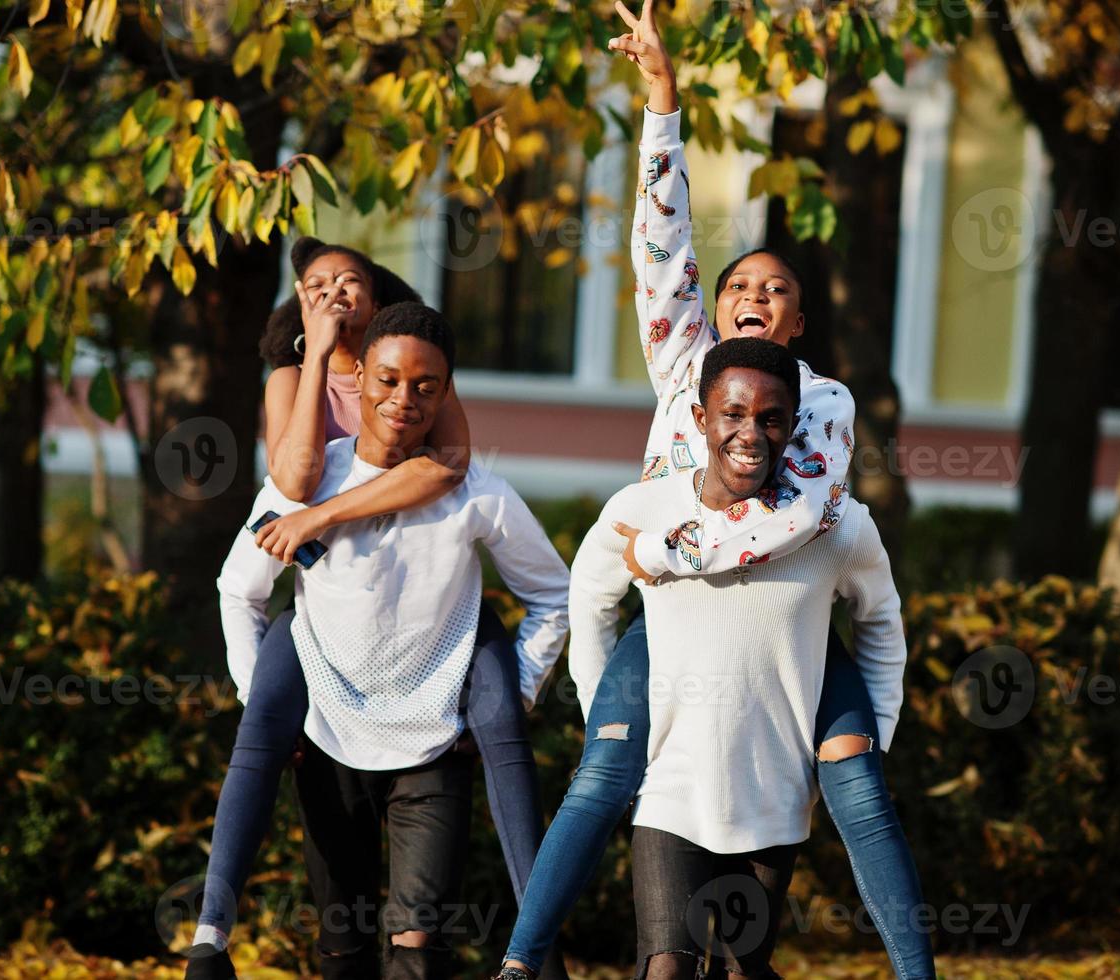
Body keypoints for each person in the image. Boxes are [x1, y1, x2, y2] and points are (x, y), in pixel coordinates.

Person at [493, 4, 935, 977]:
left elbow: (795, 516)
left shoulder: (822, 401)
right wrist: (662, 97)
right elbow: (662, 247)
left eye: (778, 289)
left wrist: (669, 545)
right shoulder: (683, 367)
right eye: (741, 282)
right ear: (716, 306)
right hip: (677, 624)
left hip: (792, 627)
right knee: (606, 770)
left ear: (799, 321)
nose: (756, 294)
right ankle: (521, 961)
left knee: (856, 782)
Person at [185, 239, 570, 980]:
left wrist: (518, 685)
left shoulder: (476, 491)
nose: (403, 399)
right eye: (388, 381)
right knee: (343, 951)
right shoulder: (303, 487)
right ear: (357, 382)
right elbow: (240, 591)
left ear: (446, 394)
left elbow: (552, 593)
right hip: (329, 738)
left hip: (432, 746)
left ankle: (536, 954)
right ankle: (210, 934)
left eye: (426, 388)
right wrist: (257, 695)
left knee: (416, 953)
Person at [570, 338, 908, 979]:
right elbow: (589, 601)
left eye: (771, 418)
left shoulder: (835, 525)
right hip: (671, 789)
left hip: (774, 795)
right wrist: (605, 726)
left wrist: (878, 734)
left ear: (793, 424)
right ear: (701, 418)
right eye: (733, 414)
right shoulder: (648, 508)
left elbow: (883, 626)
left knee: (742, 970)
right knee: (667, 967)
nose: (751, 433)